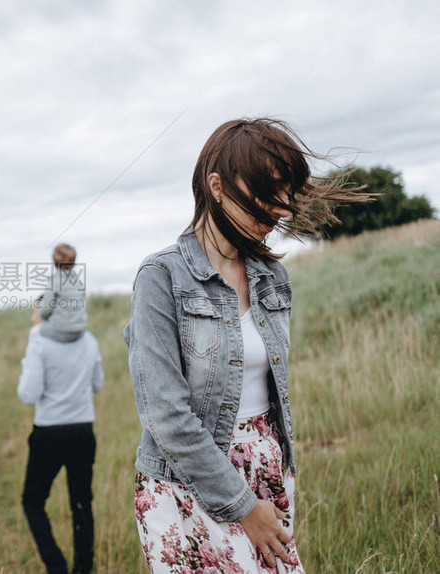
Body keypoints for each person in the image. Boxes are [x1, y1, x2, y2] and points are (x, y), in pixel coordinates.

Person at [124, 117, 366, 573]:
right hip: (188, 485)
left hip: (268, 472)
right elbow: (164, 414)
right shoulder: (160, 278)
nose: (277, 208)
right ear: (216, 185)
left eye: (283, 194)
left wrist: (269, 486)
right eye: (263, 191)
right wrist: (242, 506)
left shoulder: (272, 277)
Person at [18, 302, 104, 574]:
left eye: (36, 310)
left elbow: (28, 395)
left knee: (32, 502)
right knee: (81, 504)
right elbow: (97, 384)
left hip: (49, 433)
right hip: (82, 431)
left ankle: (56, 566)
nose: (33, 316)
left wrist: (27, 361)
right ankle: (83, 569)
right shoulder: (88, 339)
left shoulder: (39, 345)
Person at [38, 243, 88, 343]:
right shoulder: (78, 282)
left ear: (55, 260)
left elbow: (45, 311)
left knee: (35, 331)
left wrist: (43, 317)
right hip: (79, 331)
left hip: (60, 331)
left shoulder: (54, 281)